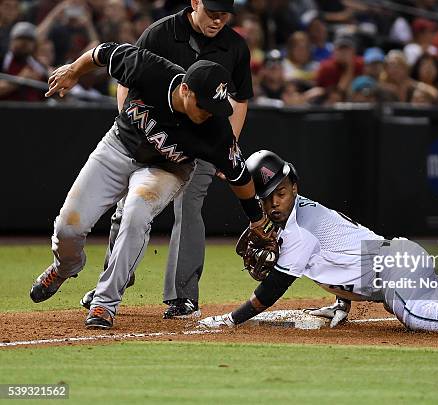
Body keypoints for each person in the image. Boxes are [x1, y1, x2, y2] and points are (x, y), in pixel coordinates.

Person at [197, 150, 438, 339]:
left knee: (414, 313)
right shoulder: (303, 218)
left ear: (294, 186)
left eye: (278, 193)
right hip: (396, 256)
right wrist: (341, 303)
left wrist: (231, 319)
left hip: (390, 265)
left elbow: (273, 289)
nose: (272, 203)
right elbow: (343, 254)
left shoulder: (296, 232)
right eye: (265, 199)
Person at [29, 42, 274, 330]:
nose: (210, 112)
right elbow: (103, 53)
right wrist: (73, 70)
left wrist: (256, 218)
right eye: (204, 104)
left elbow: (239, 176)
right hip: (118, 148)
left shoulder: (215, 128)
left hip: (166, 169)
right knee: (67, 228)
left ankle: (104, 303)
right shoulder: (149, 69)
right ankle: (64, 268)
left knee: (135, 216)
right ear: (185, 89)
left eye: (215, 106)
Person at [80, 0, 253, 319]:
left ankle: (183, 296)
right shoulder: (160, 33)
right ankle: (113, 280)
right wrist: (131, 131)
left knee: (188, 205)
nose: (217, 20)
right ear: (195, 3)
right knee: (126, 207)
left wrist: (228, 147)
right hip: (149, 136)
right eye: (211, 12)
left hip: (201, 142)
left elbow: (239, 100)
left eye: (223, 15)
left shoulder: (236, 46)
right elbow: (127, 82)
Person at [0, 22, 48, 102]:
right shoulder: (2, 61)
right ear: (12, 41)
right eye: (20, 38)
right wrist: (20, 80)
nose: (24, 43)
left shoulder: (39, 66)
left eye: (29, 40)